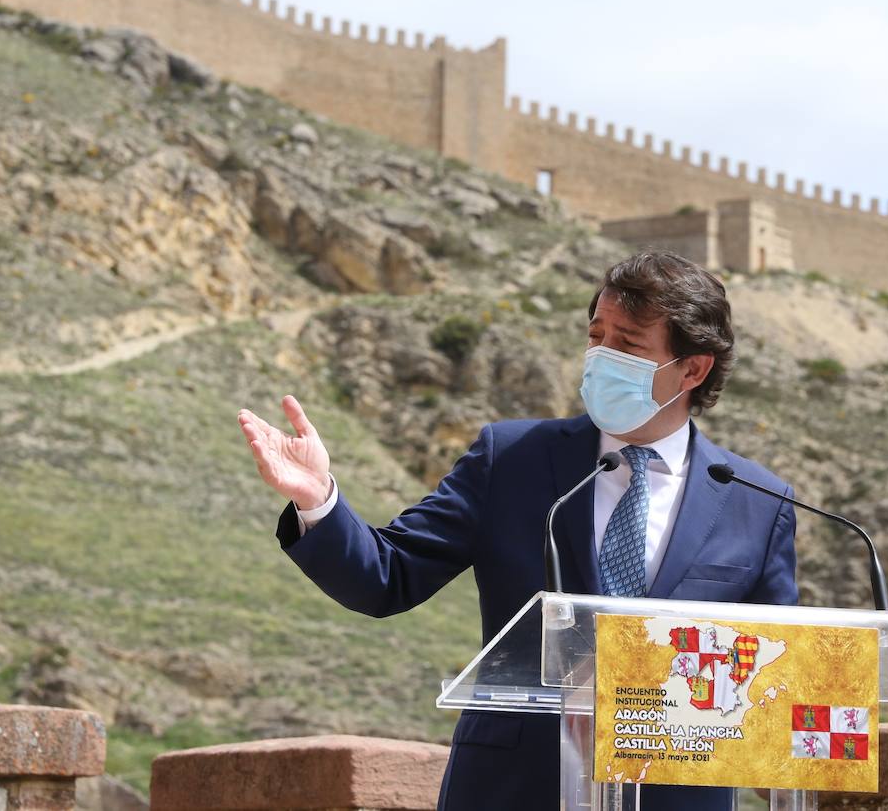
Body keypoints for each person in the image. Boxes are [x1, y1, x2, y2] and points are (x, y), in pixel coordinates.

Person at [237, 251, 798, 811]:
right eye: (595, 336)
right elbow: (387, 577)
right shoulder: (511, 459)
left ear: (693, 369)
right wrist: (318, 501)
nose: (602, 356)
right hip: (511, 789)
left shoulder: (757, 502)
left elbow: (785, 680)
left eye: (627, 345)